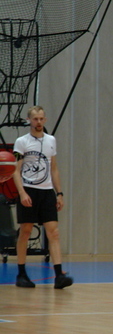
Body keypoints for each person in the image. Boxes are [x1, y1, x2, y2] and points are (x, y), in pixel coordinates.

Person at [11, 106, 73, 289]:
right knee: (26, 231)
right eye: (35, 119)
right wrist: (22, 193)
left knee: (54, 232)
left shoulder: (51, 140)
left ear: (45, 120)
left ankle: (58, 276)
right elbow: (15, 170)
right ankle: (21, 274)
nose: (38, 122)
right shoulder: (21, 142)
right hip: (28, 190)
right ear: (29, 120)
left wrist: (59, 193)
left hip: (47, 192)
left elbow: (54, 168)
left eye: (41, 119)